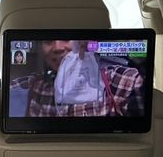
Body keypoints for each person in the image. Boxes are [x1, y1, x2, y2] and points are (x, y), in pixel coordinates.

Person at [11, 40, 144, 117]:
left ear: (82, 42)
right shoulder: (33, 86)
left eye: (66, 39)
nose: (57, 48)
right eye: (48, 41)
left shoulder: (125, 80)